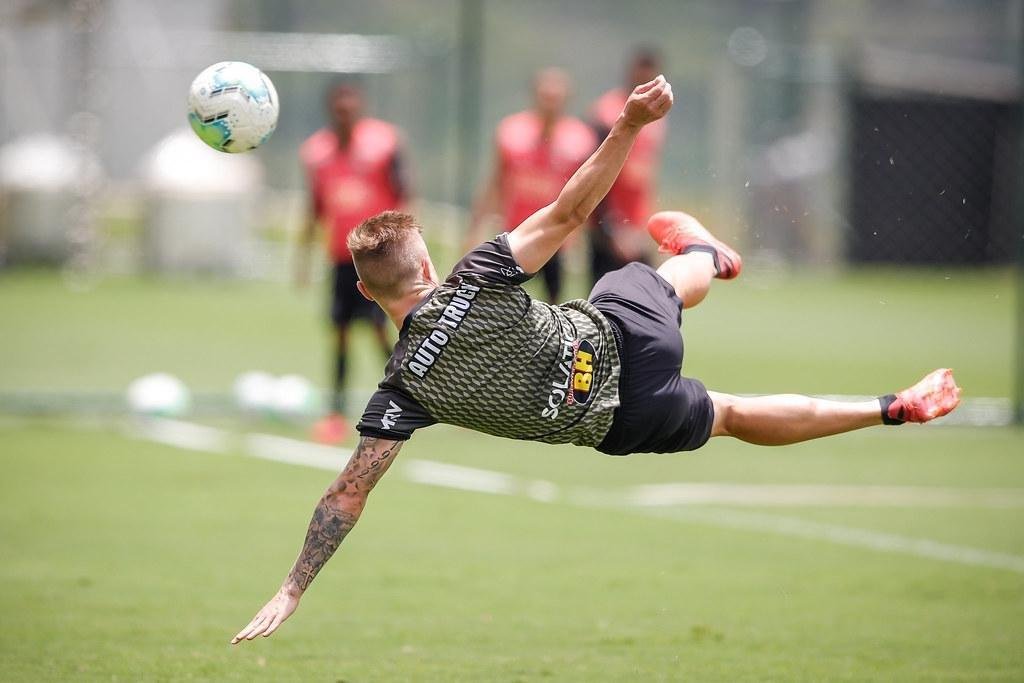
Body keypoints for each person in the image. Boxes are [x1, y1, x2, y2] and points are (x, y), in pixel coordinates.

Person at [232, 75, 960, 644]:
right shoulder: (475, 276)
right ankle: (707, 255)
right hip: (622, 336)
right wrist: (628, 125)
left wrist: (292, 587)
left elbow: (347, 494)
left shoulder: (402, 389)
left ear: (365, 291)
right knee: (646, 282)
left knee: (733, 415)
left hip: (621, 421)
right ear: (426, 262)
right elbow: (571, 212)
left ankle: (890, 407)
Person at [296, 81, 411, 444]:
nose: (345, 113)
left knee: (380, 328)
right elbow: (315, 207)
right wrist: (303, 256)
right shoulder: (317, 152)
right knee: (340, 333)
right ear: (332, 110)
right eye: (339, 108)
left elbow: (404, 196)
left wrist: (407, 247)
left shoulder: (384, 144)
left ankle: (411, 394)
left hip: (379, 258)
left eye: (350, 107)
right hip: (341, 259)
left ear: (359, 108)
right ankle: (336, 411)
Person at [467, 67, 597, 302]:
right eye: (546, 97)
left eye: (556, 98)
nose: (550, 104)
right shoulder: (511, 132)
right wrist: (476, 226)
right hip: (514, 233)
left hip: (554, 236)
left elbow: (586, 194)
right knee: (500, 301)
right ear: (535, 96)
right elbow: (495, 182)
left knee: (553, 303)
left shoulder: (580, 139)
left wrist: (578, 238)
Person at [589, 47, 667, 285]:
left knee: (649, 293)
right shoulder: (607, 112)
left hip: (637, 226)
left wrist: (645, 224)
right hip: (609, 225)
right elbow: (595, 172)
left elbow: (645, 177)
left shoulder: (657, 116)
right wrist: (612, 229)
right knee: (603, 296)